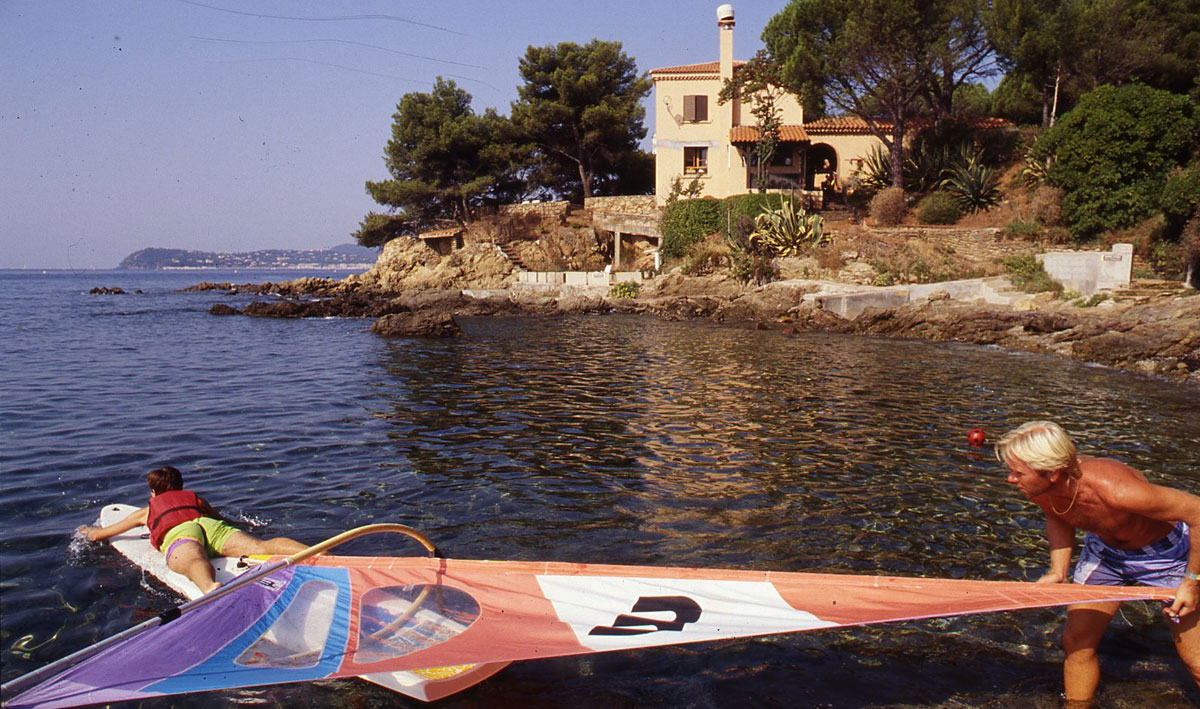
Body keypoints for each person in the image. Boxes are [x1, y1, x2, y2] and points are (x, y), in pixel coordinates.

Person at [995, 421, 1200, 702]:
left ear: (1053, 473)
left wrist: (1192, 581)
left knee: (1195, 661)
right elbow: (1057, 513)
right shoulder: (1038, 488)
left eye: (1018, 473)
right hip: (1105, 554)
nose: (1010, 479)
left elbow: (1198, 513)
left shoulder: (1118, 490)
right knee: (1077, 643)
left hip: (1167, 557)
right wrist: (1058, 571)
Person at [79, 466, 307, 594]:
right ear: (181, 486)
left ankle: (210, 587)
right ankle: (316, 553)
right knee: (261, 547)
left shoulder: (146, 511)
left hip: (181, 532)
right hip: (210, 526)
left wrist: (86, 532)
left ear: (153, 492)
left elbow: (102, 534)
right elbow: (219, 519)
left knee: (193, 559)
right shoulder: (196, 499)